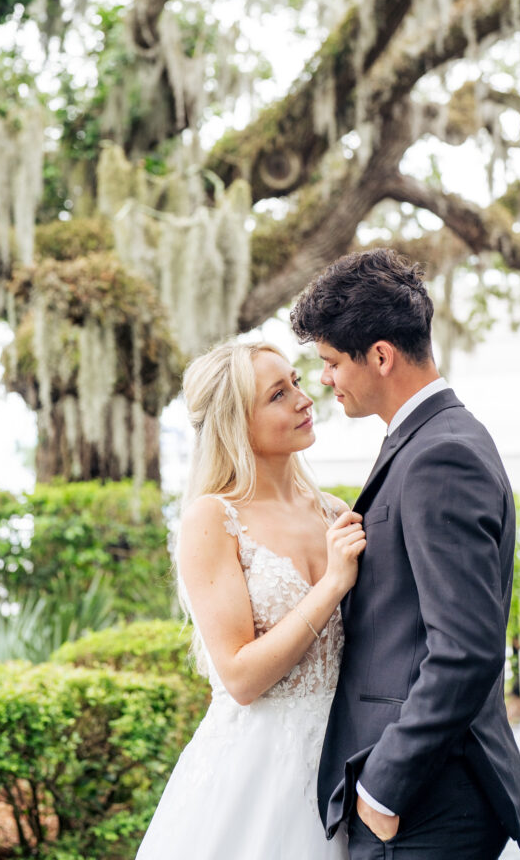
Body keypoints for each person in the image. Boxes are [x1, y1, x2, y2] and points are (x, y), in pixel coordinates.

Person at [290, 248, 520, 860]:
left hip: (425, 799)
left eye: (331, 362)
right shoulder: (427, 439)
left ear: (381, 355)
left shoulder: (440, 454)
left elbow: (465, 648)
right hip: (423, 793)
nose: (324, 380)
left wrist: (383, 788)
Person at [135, 340, 366, 859]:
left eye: (297, 383)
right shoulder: (212, 518)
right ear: (236, 423)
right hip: (256, 774)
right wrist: (332, 585)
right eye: (278, 395)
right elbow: (239, 677)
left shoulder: (334, 513)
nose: (305, 399)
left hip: (343, 764)